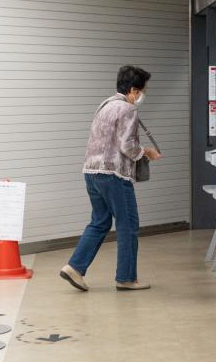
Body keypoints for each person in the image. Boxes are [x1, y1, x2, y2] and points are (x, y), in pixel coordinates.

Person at [60, 66, 162, 292]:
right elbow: (127, 146)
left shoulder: (105, 105)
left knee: (100, 221)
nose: (143, 95)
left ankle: (74, 267)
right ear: (134, 90)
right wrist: (146, 152)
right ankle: (126, 278)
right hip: (114, 175)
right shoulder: (127, 109)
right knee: (128, 225)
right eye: (143, 90)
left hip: (91, 171)